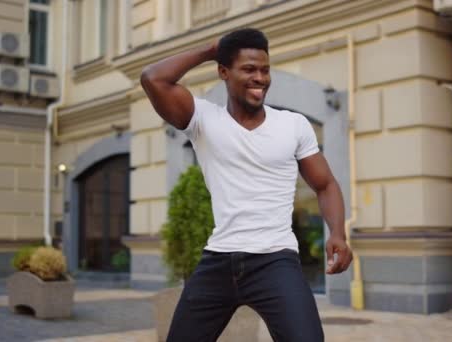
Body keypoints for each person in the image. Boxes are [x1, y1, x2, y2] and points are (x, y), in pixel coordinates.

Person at [140, 28, 353, 342]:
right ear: (223, 72)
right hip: (218, 261)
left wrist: (337, 232)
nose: (260, 78)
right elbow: (153, 78)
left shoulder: (292, 125)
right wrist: (212, 48)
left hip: (275, 260)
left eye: (265, 70)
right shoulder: (202, 119)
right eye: (249, 69)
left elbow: (325, 184)